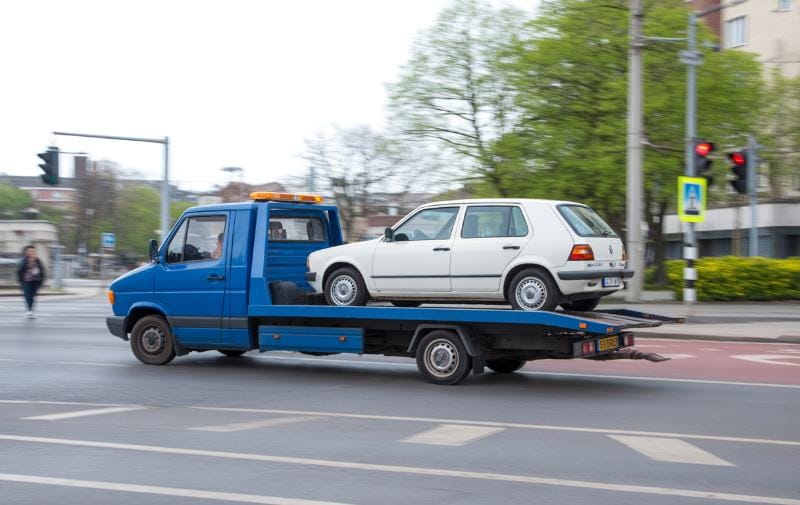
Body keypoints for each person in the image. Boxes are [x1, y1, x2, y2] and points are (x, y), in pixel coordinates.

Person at [17, 245, 46, 319]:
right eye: (30, 251)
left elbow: (42, 270)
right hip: (26, 281)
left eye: (33, 251)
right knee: (27, 295)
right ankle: (29, 311)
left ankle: (31, 310)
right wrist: (20, 280)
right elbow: (20, 270)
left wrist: (42, 280)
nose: (32, 252)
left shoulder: (37, 260)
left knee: (33, 296)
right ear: (27, 252)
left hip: (36, 281)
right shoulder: (24, 260)